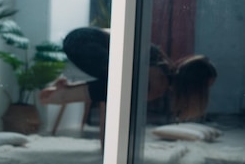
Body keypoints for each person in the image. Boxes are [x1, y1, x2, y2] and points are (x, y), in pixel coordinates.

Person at [39, 27, 217, 142]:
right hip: (86, 45)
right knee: (121, 86)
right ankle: (65, 95)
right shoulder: (158, 82)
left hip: (82, 37)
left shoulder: (160, 61)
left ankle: (66, 93)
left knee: (121, 83)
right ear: (194, 89)